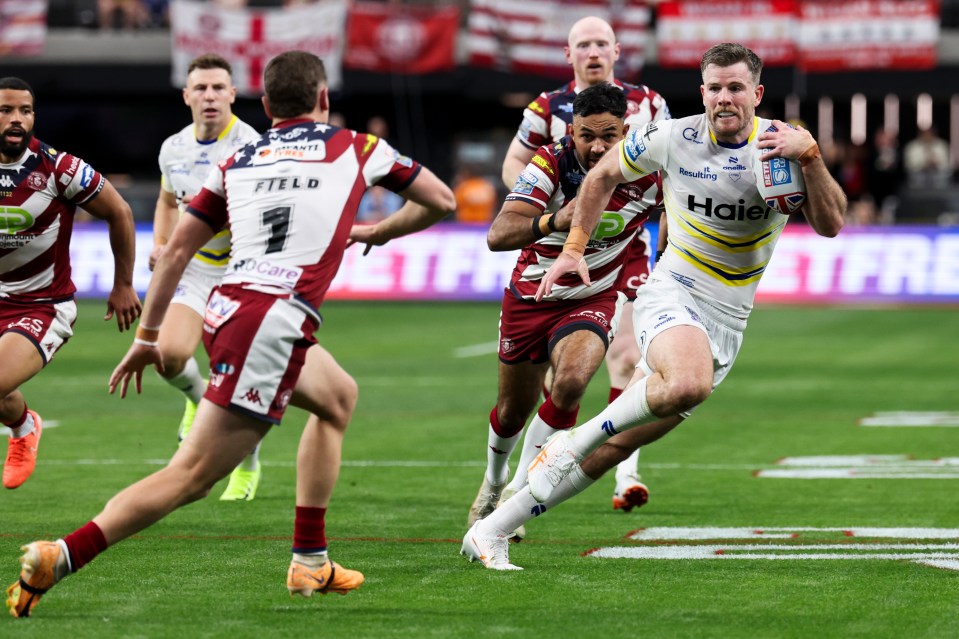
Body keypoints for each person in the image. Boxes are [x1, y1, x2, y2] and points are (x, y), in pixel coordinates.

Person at [6, 50, 456, 617]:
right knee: (190, 476)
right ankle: (61, 555)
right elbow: (441, 200)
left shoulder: (239, 158)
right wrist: (375, 231)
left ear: (265, 107)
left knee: (338, 397)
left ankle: (310, 561)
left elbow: (172, 256)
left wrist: (147, 337)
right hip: (271, 323)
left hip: (230, 310)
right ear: (324, 100)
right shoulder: (358, 147)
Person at [463, 42, 846, 570]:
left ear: (756, 94)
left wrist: (812, 158)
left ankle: (491, 531)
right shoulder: (672, 136)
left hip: (729, 319)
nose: (723, 98)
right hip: (674, 291)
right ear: (703, 92)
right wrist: (573, 249)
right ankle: (568, 442)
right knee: (688, 384)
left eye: (735, 88)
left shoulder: (781, 149)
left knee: (617, 450)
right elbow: (600, 178)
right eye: (714, 87)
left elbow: (830, 225)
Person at [489, 15, 670, 518]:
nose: (592, 52)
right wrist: (544, 197)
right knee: (524, 397)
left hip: (622, 244)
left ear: (616, 51)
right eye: (582, 44)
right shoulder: (545, 109)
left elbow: (669, 167)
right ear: (569, 55)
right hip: (553, 243)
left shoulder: (650, 103)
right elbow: (514, 169)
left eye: (600, 44)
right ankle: (505, 475)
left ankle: (625, 471)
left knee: (627, 352)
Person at [0, 77, 141, 491]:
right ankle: (25, 425)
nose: (16, 120)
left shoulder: (59, 168)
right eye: (6, 110)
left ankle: (23, 427)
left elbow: (120, 212)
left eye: (25, 111)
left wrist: (124, 285)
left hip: (42, 307)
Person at [152, 53, 263, 500]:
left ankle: (248, 464)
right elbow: (165, 201)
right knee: (169, 355)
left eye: (219, 87)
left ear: (233, 94)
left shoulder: (250, 145)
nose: (210, 95)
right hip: (194, 267)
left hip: (240, 270)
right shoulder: (172, 149)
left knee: (235, 378)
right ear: (186, 96)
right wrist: (161, 244)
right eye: (201, 88)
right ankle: (196, 401)